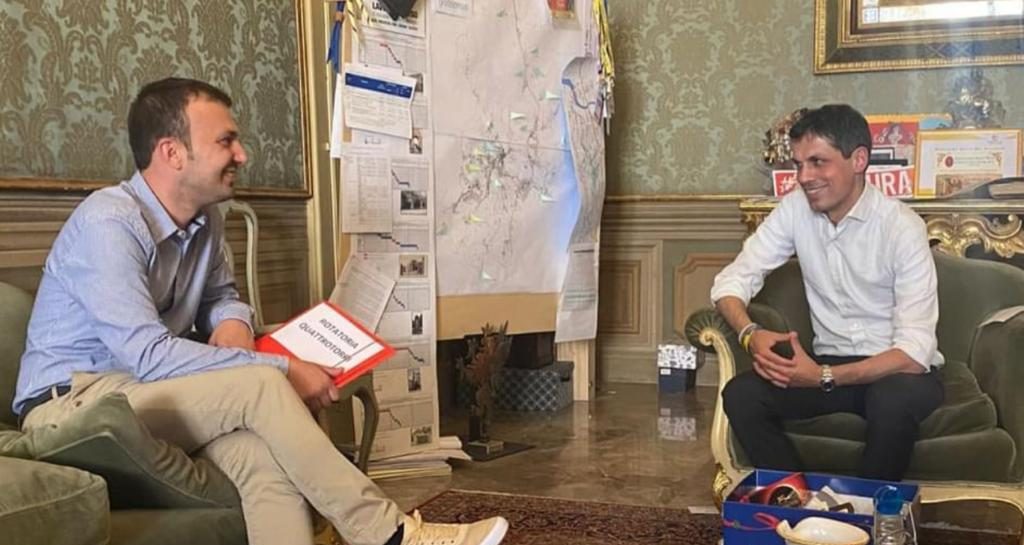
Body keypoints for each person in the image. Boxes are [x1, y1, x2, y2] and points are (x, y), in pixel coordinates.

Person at [13, 77, 508, 545]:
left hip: (143, 394)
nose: (242, 154)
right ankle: (391, 534)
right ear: (172, 152)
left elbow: (222, 296)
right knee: (263, 385)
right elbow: (148, 354)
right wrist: (283, 366)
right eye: (225, 141)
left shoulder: (205, 220)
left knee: (261, 461)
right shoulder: (108, 223)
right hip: (75, 407)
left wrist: (232, 322)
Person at [710, 104, 944, 481]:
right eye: (799, 164)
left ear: (858, 160)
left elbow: (915, 353)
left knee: (891, 402)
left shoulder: (902, 227)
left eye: (818, 162)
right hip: (828, 361)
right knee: (742, 394)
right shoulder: (795, 210)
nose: (804, 177)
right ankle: (798, 500)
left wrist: (823, 375)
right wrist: (750, 333)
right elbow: (730, 282)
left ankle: (862, 512)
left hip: (896, 371)